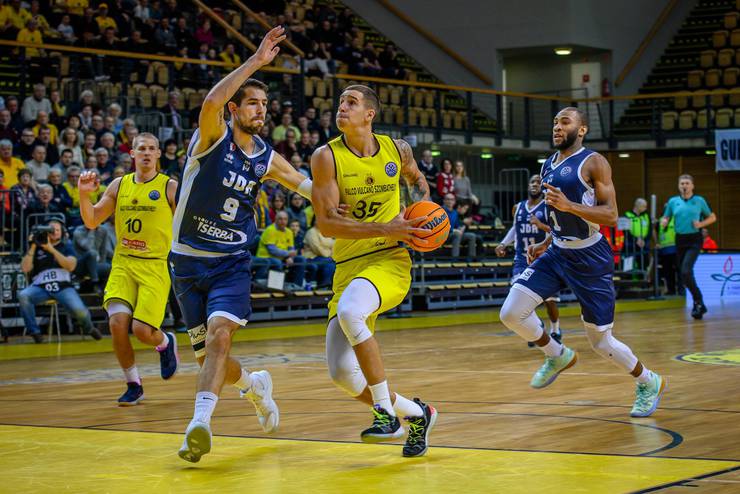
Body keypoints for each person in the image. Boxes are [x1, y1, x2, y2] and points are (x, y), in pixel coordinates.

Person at [172, 27, 316, 463]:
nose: (261, 110)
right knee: (210, 361)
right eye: (252, 103)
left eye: (265, 104)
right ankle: (254, 386)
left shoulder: (265, 157)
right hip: (186, 263)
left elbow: (304, 185)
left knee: (220, 335)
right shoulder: (211, 137)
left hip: (230, 262)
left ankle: (199, 425)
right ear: (235, 109)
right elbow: (211, 103)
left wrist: (339, 201)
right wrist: (255, 61)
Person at [498, 107, 665, 418]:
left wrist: (570, 206)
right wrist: (546, 241)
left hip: (590, 256)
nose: (557, 127)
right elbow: (556, 214)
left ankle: (648, 380)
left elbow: (611, 215)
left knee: (601, 343)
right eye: (555, 122)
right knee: (511, 313)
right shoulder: (548, 164)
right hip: (557, 252)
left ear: (582, 129)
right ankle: (556, 354)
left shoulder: (594, 162)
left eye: (565, 122)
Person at [311, 84, 437, 458]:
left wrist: (421, 216)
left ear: (370, 114)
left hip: (389, 260)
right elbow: (326, 226)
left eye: (351, 102)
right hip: (347, 267)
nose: (341, 107)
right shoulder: (326, 157)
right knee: (341, 373)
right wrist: (386, 226)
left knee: (351, 312)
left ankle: (383, 413)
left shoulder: (396, 150)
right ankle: (417, 414)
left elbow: (417, 181)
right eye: (340, 102)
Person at [79, 133, 179, 405]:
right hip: (123, 263)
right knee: (116, 324)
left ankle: (165, 342)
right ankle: (133, 384)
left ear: (158, 154)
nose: (146, 153)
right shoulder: (119, 185)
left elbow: (188, 226)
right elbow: (92, 220)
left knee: (142, 331)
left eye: (151, 148)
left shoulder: (170, 187)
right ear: (132, 154)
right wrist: (84, 195)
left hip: (155, 264)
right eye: (141, 148)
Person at [495, 175, 561, 345]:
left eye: (538, 182)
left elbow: (557, 231)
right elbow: (514, 229)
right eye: (532, 182)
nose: (535, 184)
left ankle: (555, 329)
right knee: (519, 296)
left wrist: (540, 225)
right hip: (522, 258)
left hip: (543, 259)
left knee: (549, 301)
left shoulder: (547, 207)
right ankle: (537, 328)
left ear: (542, 187)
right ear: (528, 186)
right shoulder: (517, 207)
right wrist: (503, 244)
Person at [19, 219, 102, 343]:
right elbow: (25, 269)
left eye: (57, 229)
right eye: (51, 229)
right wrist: (33, 246)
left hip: (63, 287)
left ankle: (89, 328)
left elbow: (71, 266)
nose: (54, 232)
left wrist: (51, 249)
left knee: (81, 312)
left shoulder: (66, 246)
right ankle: (35, 332)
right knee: (23, 295)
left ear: (62, 231)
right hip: (40, 287)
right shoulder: (37, 247)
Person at [661, 175, 716, 320]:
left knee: (686, 270)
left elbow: (712, 217)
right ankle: (699, 303)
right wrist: (664, 221)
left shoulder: (699, 201)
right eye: (682, 183)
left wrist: (701, 224)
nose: (684, 186)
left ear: (692, 186)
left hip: (694, 239)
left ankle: (698, 301)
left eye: (687, 183)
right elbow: (666, 216)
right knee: (684, 274)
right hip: (680, 240)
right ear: (679, 186)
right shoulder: (673, 201)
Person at [624, 198, 650, 271]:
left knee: (643, 265)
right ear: (637, 206)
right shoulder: (627, 215)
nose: (645, 208)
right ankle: (628, 277)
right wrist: (636, 240)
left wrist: (644, 240)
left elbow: (650, 230)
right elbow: (625, 231)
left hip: (643, 244)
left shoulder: (646, 216)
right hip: (630, 244)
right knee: (629, 266)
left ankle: (643, 277)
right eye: (644, 206)